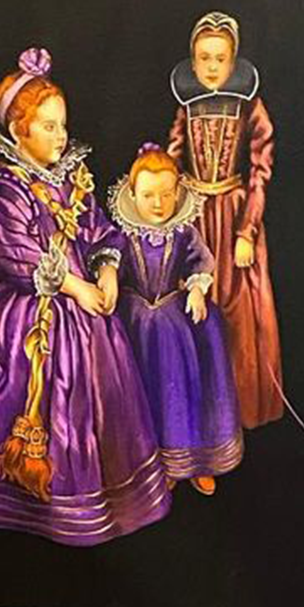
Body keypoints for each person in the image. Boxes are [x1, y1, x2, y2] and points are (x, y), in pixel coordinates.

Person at [0, 48, 171, 544]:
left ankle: (92, 502)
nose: (61, 136)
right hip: (26, 315)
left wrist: (107, 272)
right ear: (18, 131)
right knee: (19, 401)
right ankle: (25, 503)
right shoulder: (0, 188)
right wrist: (76, 287)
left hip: (88, 313)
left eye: (62, 125)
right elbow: (18, 254)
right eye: (48, 126)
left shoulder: (71, 179)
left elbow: (99, 230)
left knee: (97, 401)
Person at [168, 11, 284, 429]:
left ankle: (237, 408)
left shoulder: (250, 105)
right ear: (193, 60)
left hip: (234, 217)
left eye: (220, 58)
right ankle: (198, 415)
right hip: (194, 218)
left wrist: (246, 231)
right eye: (204, 58)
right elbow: (173, 157)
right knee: (192, 310)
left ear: (233, 61)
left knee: (237, 312)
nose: (212, 67)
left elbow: (260, 170)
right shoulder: (186, 106)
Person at [109, 144, 243, 495]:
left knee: (182, 389)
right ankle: (152, 463)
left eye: (166, 194)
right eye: (148, 195)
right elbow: (110, 266)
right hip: (134, 324)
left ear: (177, 194)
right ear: (133, 195)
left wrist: (197, 289)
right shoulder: (122, 234)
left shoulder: (184, 232)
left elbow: (200, 263)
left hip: (174, 321)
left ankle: (192, 461)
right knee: (141, 392)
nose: (158, 204)